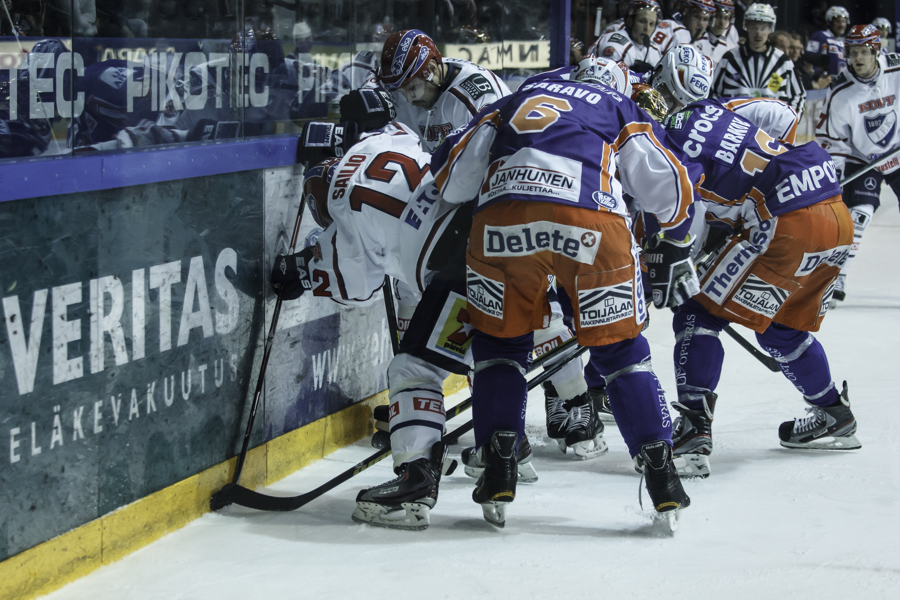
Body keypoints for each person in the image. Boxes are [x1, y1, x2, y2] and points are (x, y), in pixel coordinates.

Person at [430, 72, 703, 527]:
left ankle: (499, 464)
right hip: (591, 220)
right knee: (620, 354)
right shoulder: (617, 105)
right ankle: (661, 472)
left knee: (500, 349)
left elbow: (451, 180)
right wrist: (674, 239)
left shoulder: (515, 99)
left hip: (504, 217)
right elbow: (668, 184)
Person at [346, 30, 606, 460]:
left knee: (533, 313)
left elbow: (509, 153)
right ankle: (449, 411)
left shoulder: (476, 93)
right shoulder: (415, 90)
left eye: (410, 84)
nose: (406, 96)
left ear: (430, 68)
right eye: (398, 88)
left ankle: (578, 407)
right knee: (437, 301)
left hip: (504, 210)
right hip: (455, 215)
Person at [275, 122, 502, 530]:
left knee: (413, 369)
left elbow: (354, 288)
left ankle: (417, 478)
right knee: (497, 353)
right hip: (503, 225)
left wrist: (300, 269)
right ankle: (511, 445)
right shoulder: (382, 140)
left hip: (461, 268)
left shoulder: (341, 215)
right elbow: (405, 129)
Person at [660, 95, 860, 478]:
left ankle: (693, 432)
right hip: (832, 209)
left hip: (783, 221)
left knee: (697, 309)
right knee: (782, 328)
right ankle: (834, 413)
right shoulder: (715, 107)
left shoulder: (660, 151)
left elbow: (686, 233)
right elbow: (784, 114)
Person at [816, 24, 900, 305]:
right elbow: (834, 142)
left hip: (897, 153)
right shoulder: (840, 92)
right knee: (859, 216)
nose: (858, 59)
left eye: (864, 51)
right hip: (862, 157)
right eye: (853, 53)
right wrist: (836, 177)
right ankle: (839, 277)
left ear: (876, 50)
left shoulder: (896, 70)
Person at [712, 3, 806, 115]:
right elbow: (713, 93)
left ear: (771, 28)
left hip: (771, 130)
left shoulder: (783, 61)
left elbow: (798, 95)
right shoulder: (729, 58)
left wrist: (789, 123)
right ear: (746, 27)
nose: (758, 33)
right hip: (734, 128)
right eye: (753, 27)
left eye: (763, 28)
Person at [589, 0, 665, 74]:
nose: (647, 28)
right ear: (629, 21)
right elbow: (608, 79)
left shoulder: (654, 50)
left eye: (651, 24)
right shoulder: (615, 44)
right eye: (642, 21)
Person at [805, 5, 848, 76]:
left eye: (844, 21)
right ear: (829, 22)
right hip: (822, 83)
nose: (841, 25)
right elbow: (809, 59)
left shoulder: (844, 43)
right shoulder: (820, 36)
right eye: (838, 21)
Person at [707, 0, 739, 65]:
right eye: (718, 17)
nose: (722, 23)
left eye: (726, 18)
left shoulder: (729, 47)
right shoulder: (698, 41)